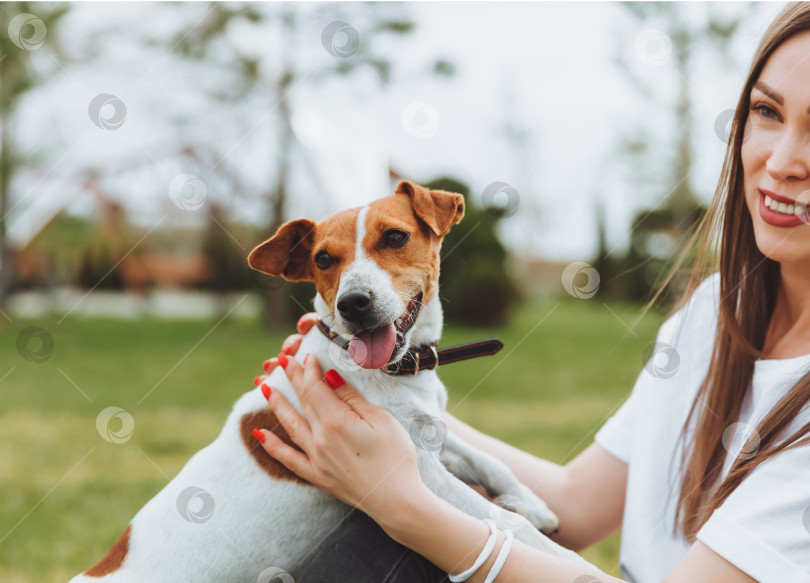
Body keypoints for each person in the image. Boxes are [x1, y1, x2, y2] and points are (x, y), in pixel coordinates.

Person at [252, 4, 810, 581]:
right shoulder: (714, 315)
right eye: (767, 110)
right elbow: (572, 503)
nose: (784, 161)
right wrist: (363, 400)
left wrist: (402, 506)